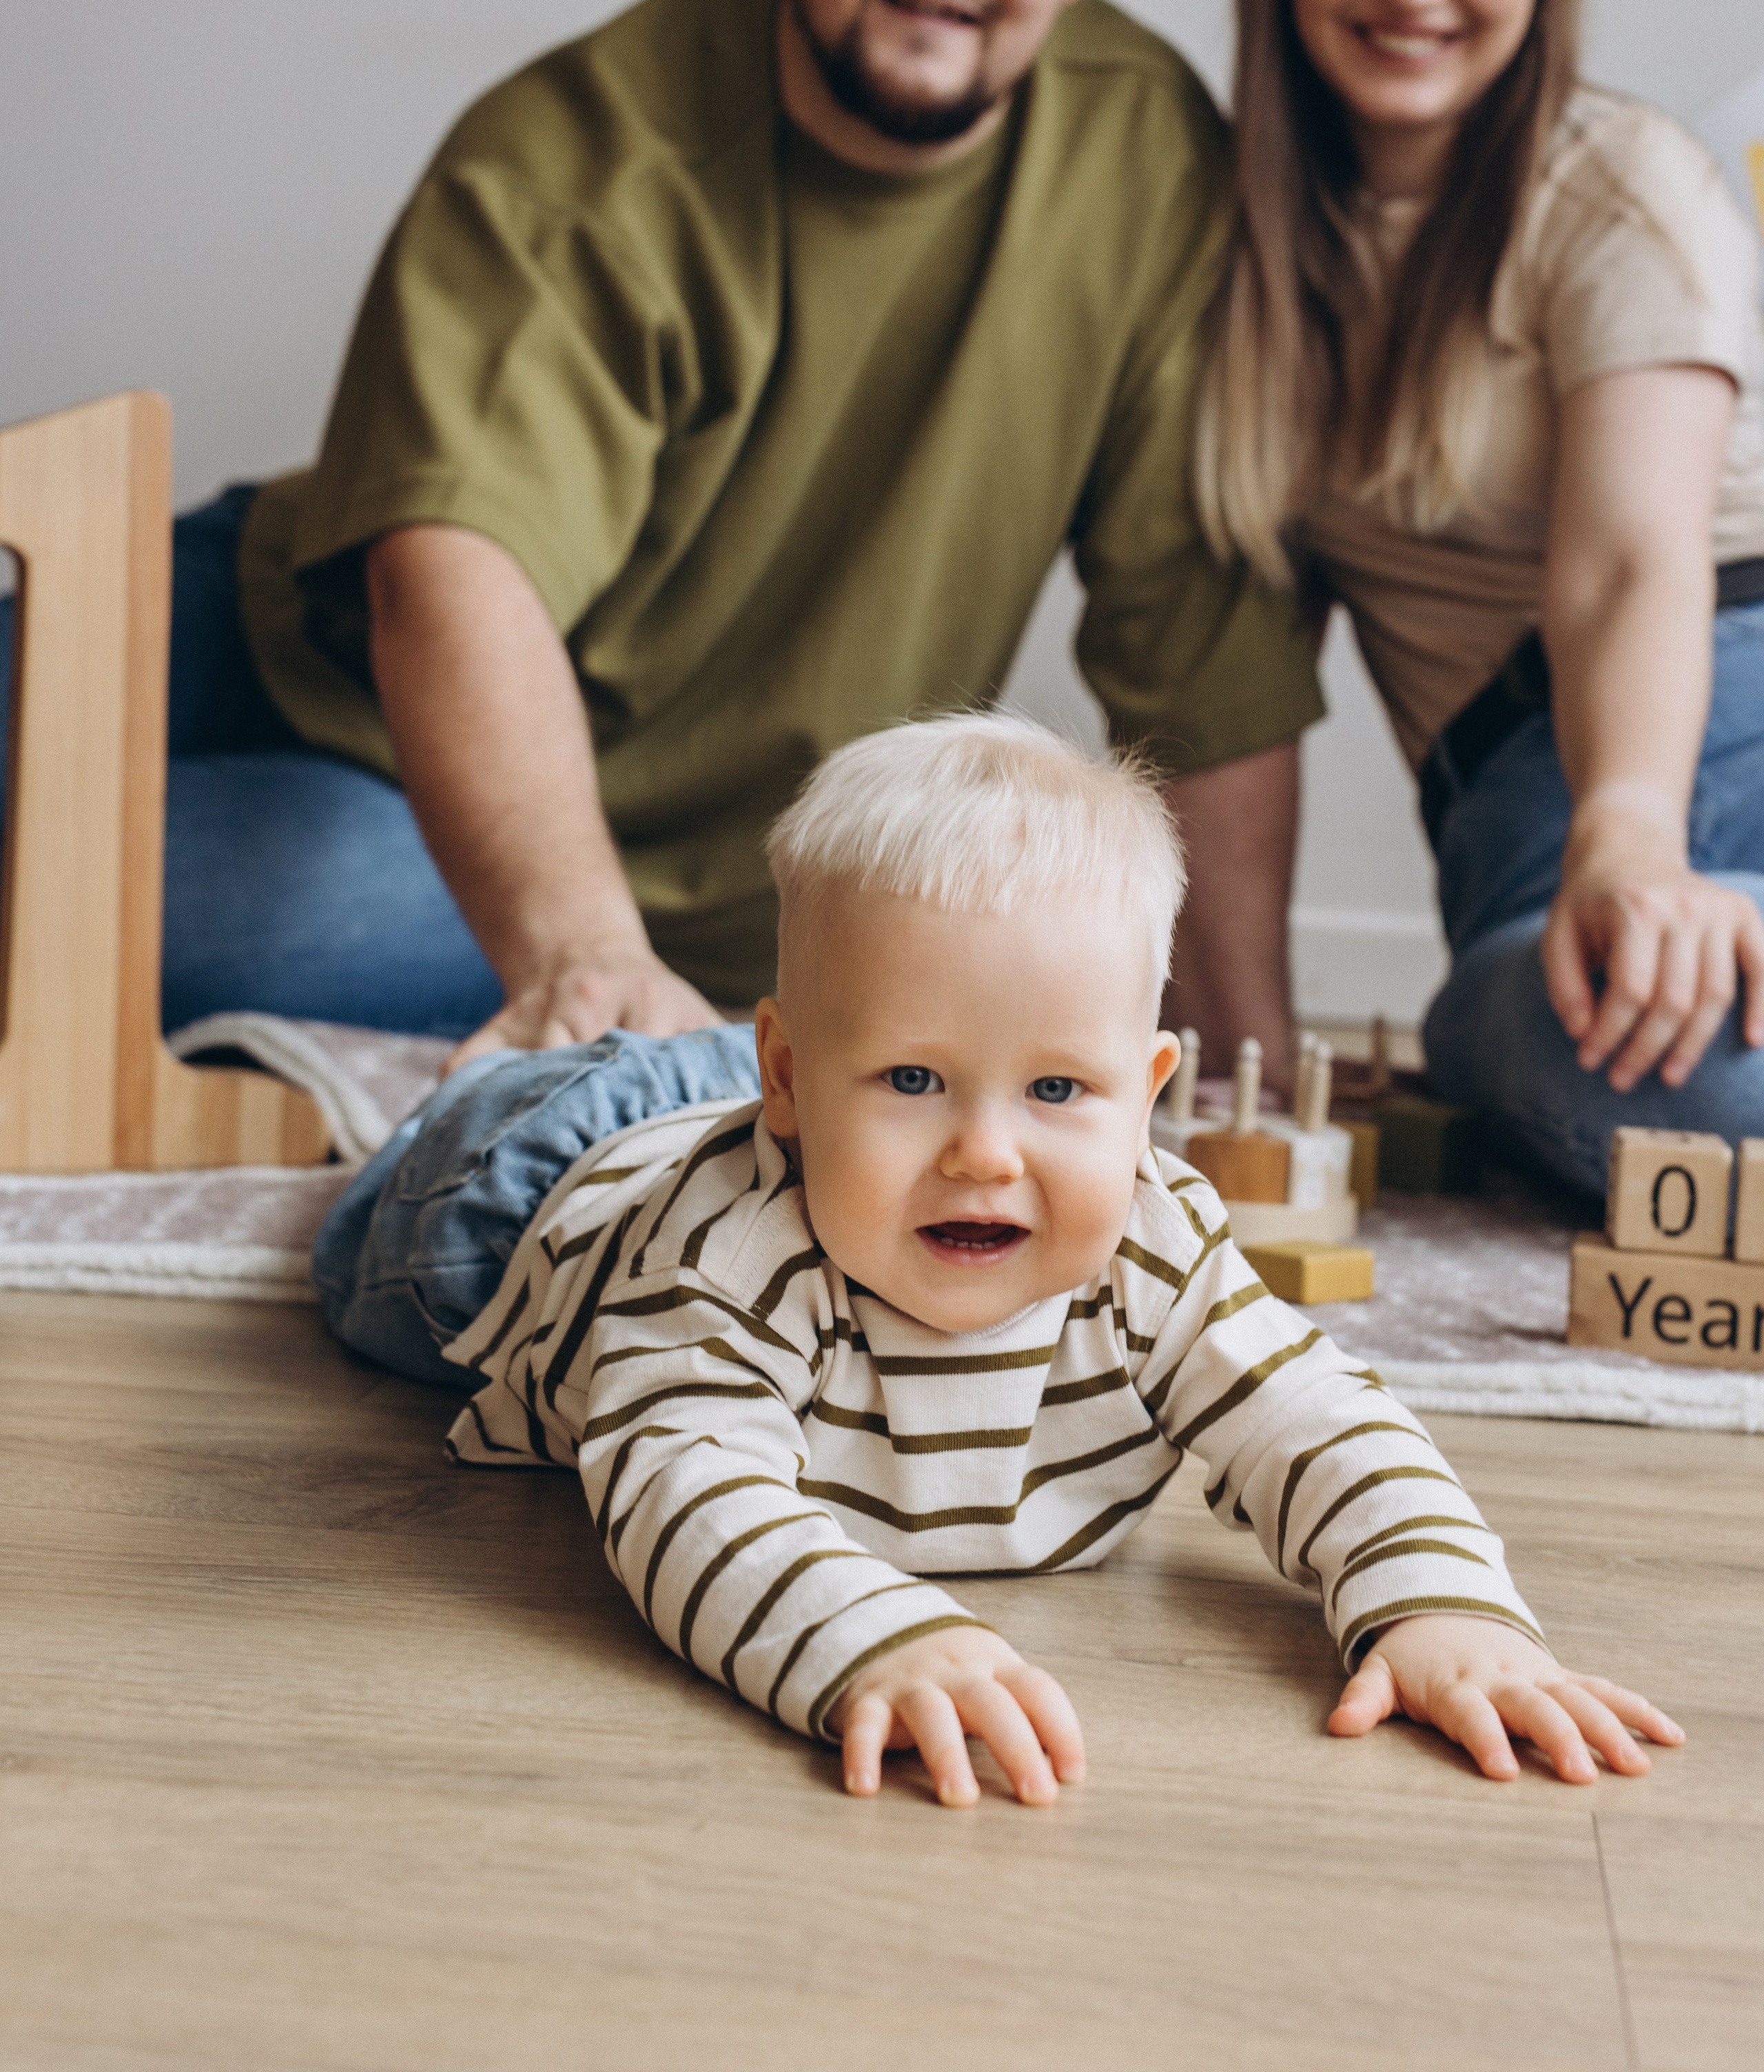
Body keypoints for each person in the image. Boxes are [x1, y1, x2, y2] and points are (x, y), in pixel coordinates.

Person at [141, 0, 1322, 1069]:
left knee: (75, 902)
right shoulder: (579, 156)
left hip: (482, 852)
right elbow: (449, 572)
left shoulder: (1143, 166)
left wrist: (1256, 1076)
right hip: (302, 649)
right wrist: (578, 952)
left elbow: (1202, 658)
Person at [312, 712, 1678, 1805]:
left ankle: (816, 1059)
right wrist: (874, 1635)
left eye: (1056, 1093)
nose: (983, 1154)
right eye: (916, 1078)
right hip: (546, 1181)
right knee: (374, 1256)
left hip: (779, 1087)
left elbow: (1315, 1420)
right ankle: (515, 1097)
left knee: (859, 1074)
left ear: (1147, 1094)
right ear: (787, 1080)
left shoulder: (1151, 1234)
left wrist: (1435, 1604)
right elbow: (683, 1490)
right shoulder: (733, 1256)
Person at [1193, 0, 1764, 1198]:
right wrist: (1246, 1076)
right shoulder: (1219, 257)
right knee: (1621, 1065)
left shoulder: (1617, 183)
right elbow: (1217, 685)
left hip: (1697, 711)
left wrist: (1635, 841)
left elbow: (1630, 560)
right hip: (1517, 820)